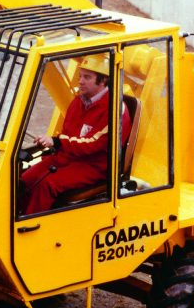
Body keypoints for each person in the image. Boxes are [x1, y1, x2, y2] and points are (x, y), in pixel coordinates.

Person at [20, 55, 131, 216]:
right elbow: (68, 134)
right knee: (25, 179)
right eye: (80, 76)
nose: (80, 81)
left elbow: (92, 144)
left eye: (87, 77)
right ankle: (19, 215)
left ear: (103, 80)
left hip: (94, 166)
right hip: (69, 157)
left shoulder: (115, 109)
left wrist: (57, 141)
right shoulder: (78, 102)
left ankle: (28, 227)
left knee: (48, 185)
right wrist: (54, 143)